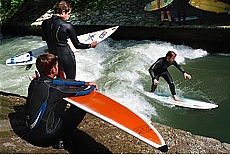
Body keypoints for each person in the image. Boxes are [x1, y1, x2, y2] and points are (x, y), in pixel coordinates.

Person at [25, 54, 98, 148]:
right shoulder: (54, 89)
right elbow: (84, 91)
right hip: (45, 138)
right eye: (56, 66)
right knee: (80, 108)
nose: (58, 67)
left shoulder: (35, 81)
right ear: (53, 70)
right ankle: (62, 139)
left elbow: (62, 81)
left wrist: (85, 83)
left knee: (52, 103)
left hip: (31, 133)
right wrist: (91, 87)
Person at [42, 1, 98, 79]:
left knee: (58, 80)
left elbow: (45, 38)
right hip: (66, 57)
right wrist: (90, 45)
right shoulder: (67, 26)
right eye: (68, 14)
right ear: (63, 11)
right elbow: (77, 45)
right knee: (70, 81)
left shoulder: (44, 23)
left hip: (53, 57)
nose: (69, 16)